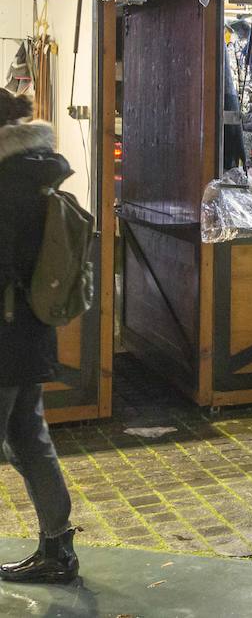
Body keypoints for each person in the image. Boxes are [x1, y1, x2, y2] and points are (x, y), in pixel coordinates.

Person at [0, 92, 80, 584]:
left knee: (28, 438)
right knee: (30, 438)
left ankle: (57, 550)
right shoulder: (36, 173)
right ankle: (58, 549)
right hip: (29, 331)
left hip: (3, 334)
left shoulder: (4, 184)